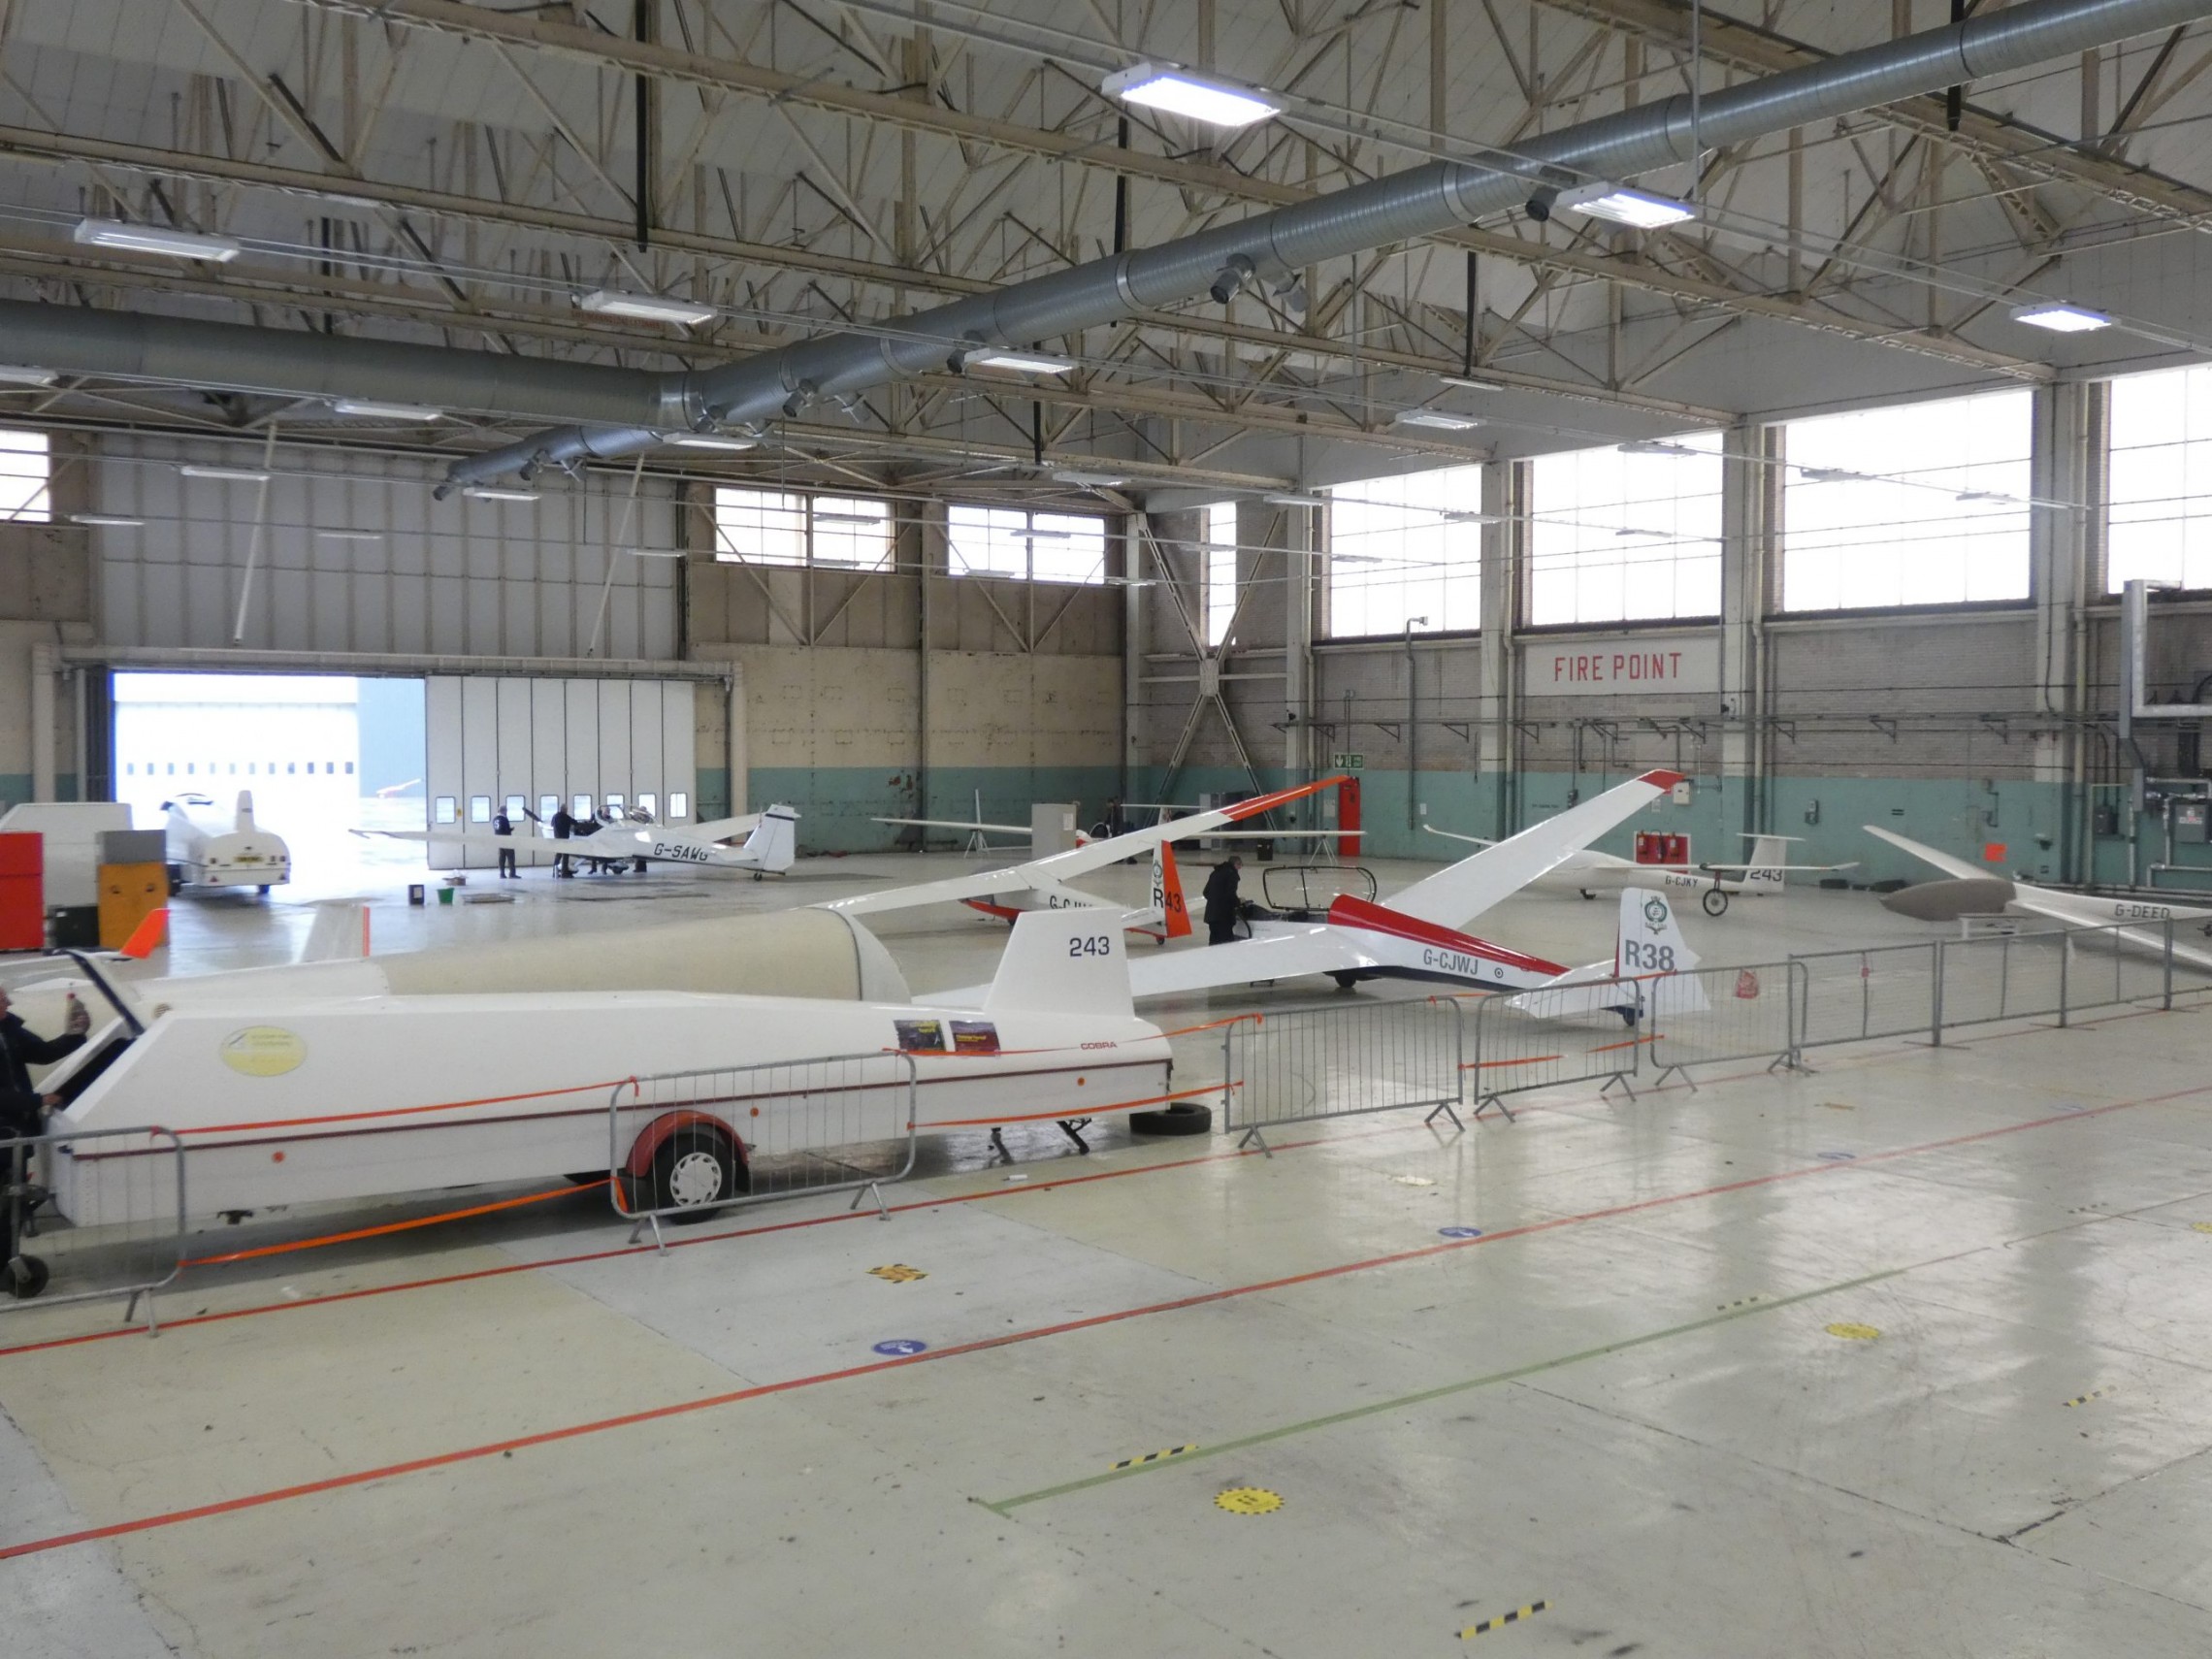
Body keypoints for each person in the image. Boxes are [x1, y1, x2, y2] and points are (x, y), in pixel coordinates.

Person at [0, 987, 89, 1280]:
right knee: (5, 1205)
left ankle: (7, 1262)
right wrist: (37, 1101)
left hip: (13, 1132)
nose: (9, 1002)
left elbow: (42, 1052)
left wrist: (74, 1035)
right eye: (2, 999)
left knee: (10, 1204)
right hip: (7, 1129)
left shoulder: (8, 1029)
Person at [1202, 855, 1244, 946]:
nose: (1240, 868)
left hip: (1211, 914)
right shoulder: (1231, 875)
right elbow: (1230, 895)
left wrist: (1215, 900)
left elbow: (1206, 892)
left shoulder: (1215, 872)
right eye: (1240, 865)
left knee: (1214, 940)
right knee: (1226, 943)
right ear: (1236, 864)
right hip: (1224, 916)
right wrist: (1238, 902)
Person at [491, 807, 518, 878]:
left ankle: (502, 874)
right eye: (506, 811)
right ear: (503, 811)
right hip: (506, 840)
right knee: (511, 857)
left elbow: (499, 829)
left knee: (501, 857)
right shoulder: (504, 819)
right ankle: (512, 874)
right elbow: (506, 830)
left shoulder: (495, 819)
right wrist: (511, 830)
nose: (506, 813)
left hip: (499, 840)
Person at [550, 802, 574, 878]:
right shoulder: (566, 817)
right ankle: (564, 873)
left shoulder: (555, 816)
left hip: (557, 838)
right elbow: (575, 822)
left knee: (558, 855)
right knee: (565, 856)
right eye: (566, 809)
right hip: (564, 839)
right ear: (565, 810)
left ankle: (554, 872)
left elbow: (551, 824)